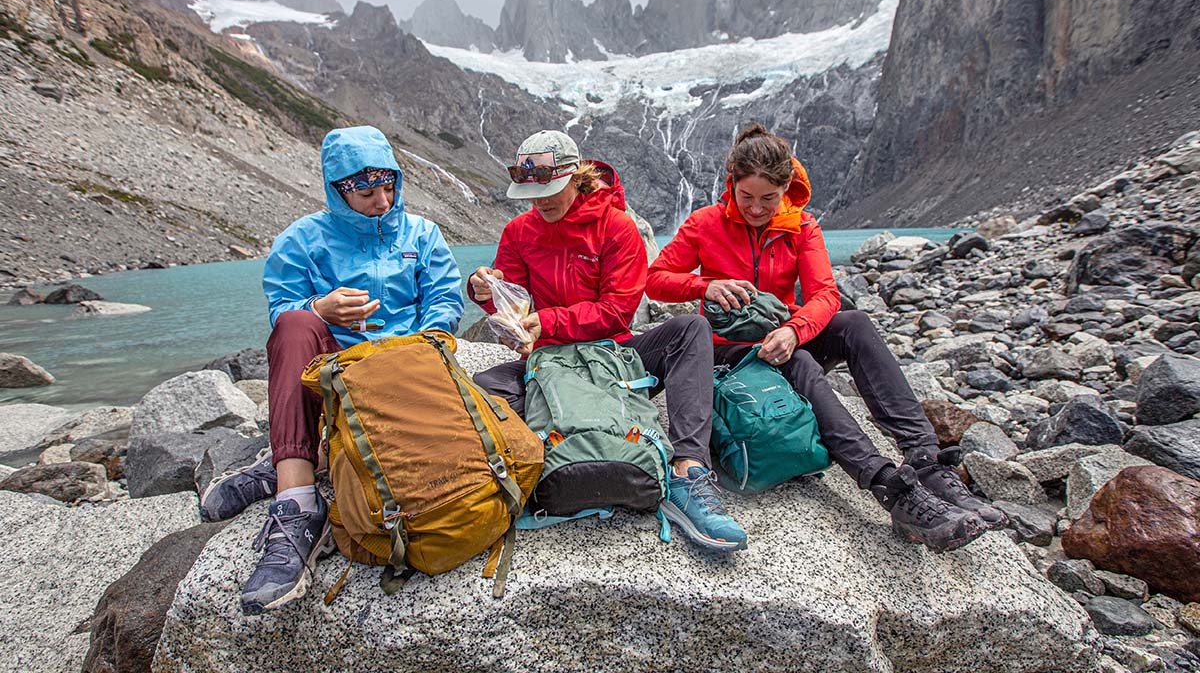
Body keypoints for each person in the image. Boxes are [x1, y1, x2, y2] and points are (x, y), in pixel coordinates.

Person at [645, 122, 1006, 552]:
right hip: (730, 352)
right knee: (798, 366)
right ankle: (885, 485)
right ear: (731, 186)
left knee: (854, 323)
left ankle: (925, 461)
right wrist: (704, 286)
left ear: (785, 188)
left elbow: (825, 295)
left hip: (782, 336)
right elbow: (656, 280)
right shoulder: (706, 223)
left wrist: (795, 331)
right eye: (746, 198)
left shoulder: (801, 227)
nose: (756, 209)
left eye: (768, 199)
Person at [200, 125, 464, 614]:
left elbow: (445, 300)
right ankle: (298, 503)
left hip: (403, 374)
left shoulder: (423, 234)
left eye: (389, 187)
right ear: (338, 188)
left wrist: (424, 344)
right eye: (366, 191)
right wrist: (320, 309)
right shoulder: (303, 239)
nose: (381, 201)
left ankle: (287, 463)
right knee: (298, 326)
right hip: (331, 378)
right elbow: (283, 308)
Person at [470, 129, 747, 551]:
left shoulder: (617, 228)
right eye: (532, 192)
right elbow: (514, 307)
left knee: (691, 330)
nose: (541, 200)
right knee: (481, 389)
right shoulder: (518, 232)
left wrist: (548, 322)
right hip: (551, 364)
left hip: (614, 355)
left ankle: (688, 469)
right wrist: (487, 294)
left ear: (577, 177)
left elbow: (618, 311)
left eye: (551, 188)